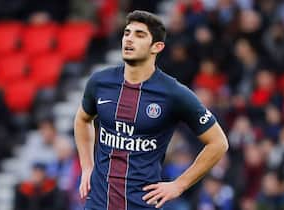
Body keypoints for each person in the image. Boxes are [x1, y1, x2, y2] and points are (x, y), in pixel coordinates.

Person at [74, 10, 229, 210]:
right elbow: (82, 120)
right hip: (97, 203)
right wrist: (87, 167)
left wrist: (179, 185)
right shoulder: (99, 82)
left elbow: (218, 143)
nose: (129, 39)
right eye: (127, 33)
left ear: (157, 47)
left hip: (142, 204)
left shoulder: (173, 93)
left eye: (139, 35)